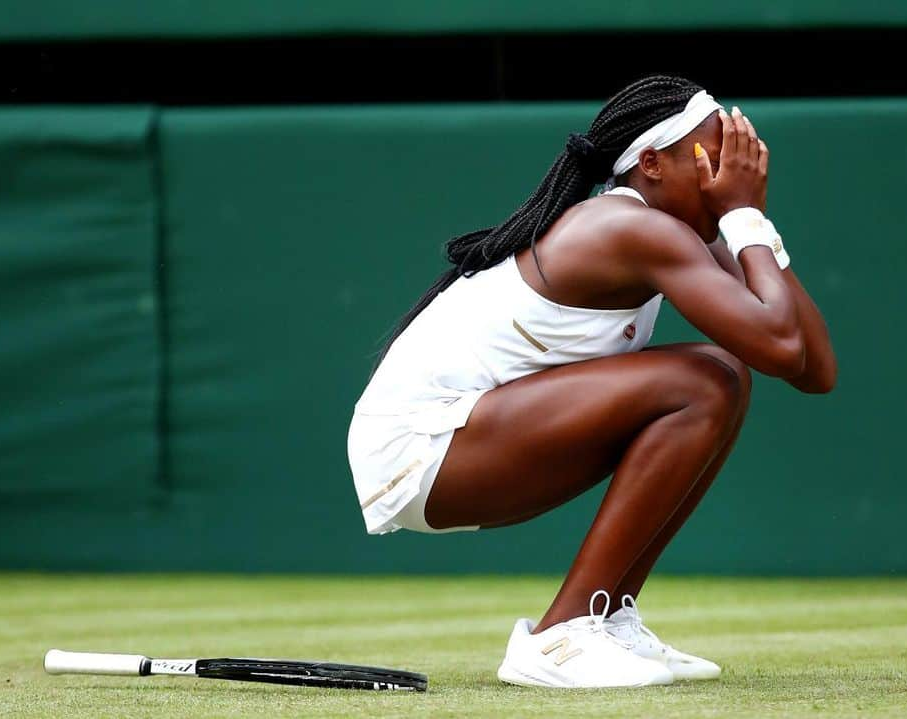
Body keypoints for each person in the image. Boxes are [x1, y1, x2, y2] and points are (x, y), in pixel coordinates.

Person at [347, 75, 836, 688]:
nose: (723, 176)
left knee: (725, 376)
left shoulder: (685, 231)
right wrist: (740, 212)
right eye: (710, 158)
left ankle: (607, 620)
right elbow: (781, 342)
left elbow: (810, 367)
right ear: (652, 163)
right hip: (420, 449)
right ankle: (560, 636)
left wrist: (749, 226)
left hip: (468, 442)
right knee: (703, 380)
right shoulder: (627, 225)